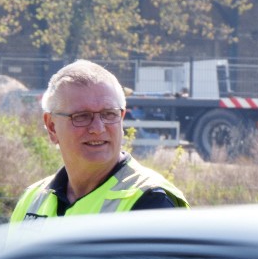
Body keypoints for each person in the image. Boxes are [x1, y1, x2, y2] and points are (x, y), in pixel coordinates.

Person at [11, 59, 189, 225]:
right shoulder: (32, 200)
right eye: (81, 116)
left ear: (122, 119)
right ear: (51, 126)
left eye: (109, 114)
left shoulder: (151, 203)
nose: (98, 128)